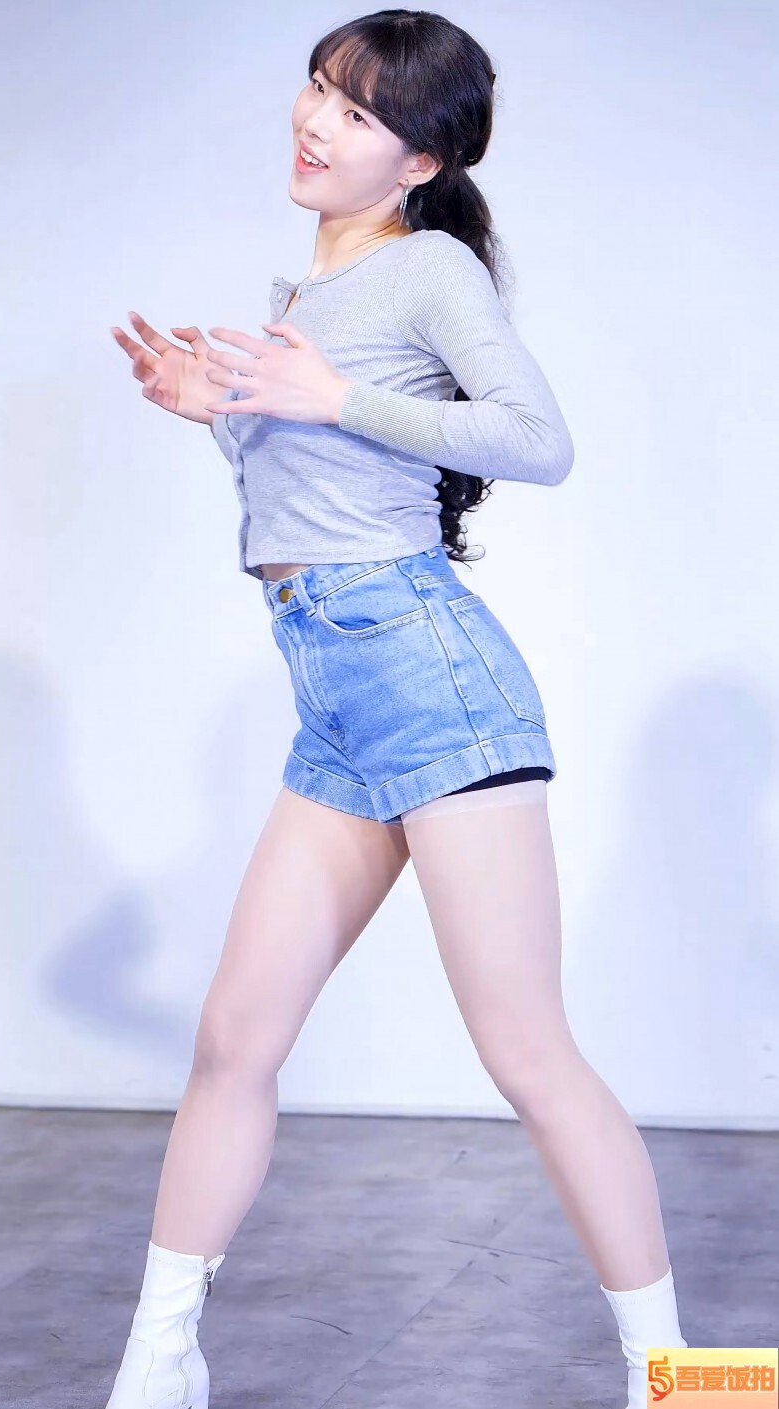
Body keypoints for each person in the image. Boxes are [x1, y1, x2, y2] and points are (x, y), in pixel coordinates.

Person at [107, 11, 688, 1408]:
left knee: (526, 1051)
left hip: (429, 679)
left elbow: (539, 442)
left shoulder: (428, 269)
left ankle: (684, 1381)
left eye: (360, 114)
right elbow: (324, 489)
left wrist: (334, 396)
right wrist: (219, 410)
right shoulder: (308, 294)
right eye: (319, 88)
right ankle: (157, 1365)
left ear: (420, 160)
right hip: (335, 697)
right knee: (234, 1039)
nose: (318, 122)